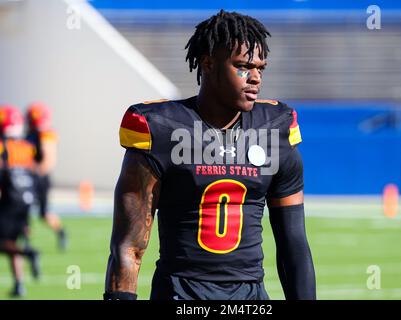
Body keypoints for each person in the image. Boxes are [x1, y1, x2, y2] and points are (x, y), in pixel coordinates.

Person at [104, 10, 316, 300]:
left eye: (260, 68)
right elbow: (129, 246)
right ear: (208, 64)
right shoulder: (161, 128)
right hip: (180, 295)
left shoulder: (275, 127)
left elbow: (293, 243)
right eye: (243, 66)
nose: (255, 78)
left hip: (251, 298)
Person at [0, 105, 41, 297]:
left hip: (9, 200)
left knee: (3, 242)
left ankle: (29, 254)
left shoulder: (3, 146)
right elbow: (33, 173)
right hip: (26, 200)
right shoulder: (26, 146)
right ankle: (19, 284)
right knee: (11, 242)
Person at [25, 102, 67, 251]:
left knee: (43, 213)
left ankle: (61, 232)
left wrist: (31, 171)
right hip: (29, 176)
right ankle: (25, 242)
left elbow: (48, 161)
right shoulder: (29, 133)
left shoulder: (46, 134)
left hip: (38, 179)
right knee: (22, 210)